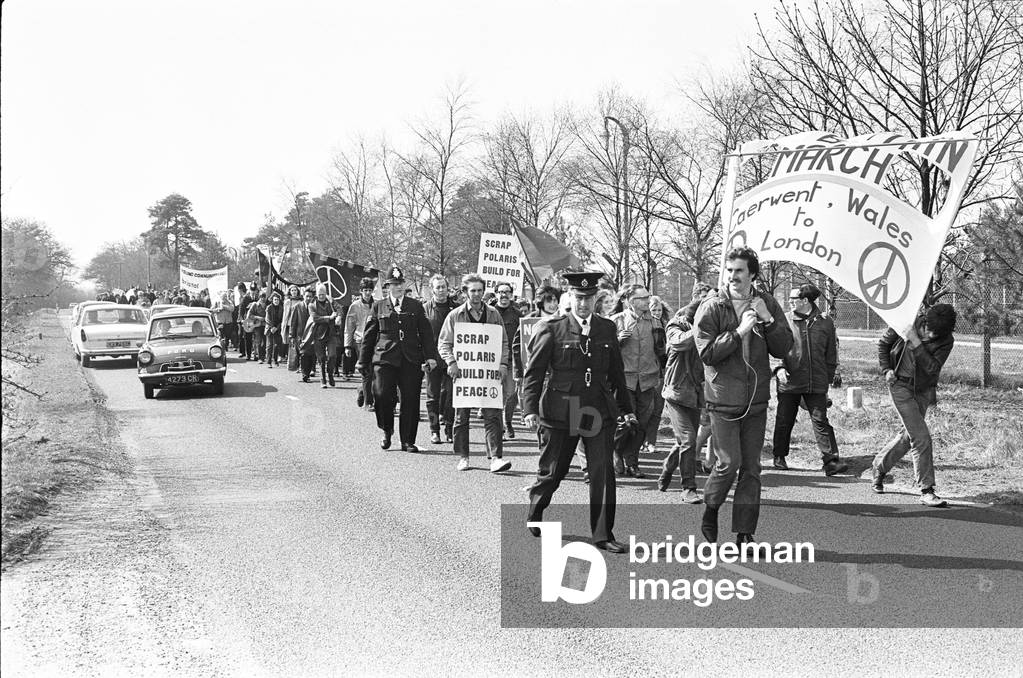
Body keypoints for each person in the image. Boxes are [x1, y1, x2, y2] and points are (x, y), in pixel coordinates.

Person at [522, 271, 636, 554]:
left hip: (597, 409)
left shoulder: (606, 328)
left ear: (596, 298)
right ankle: (536, 509)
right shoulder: (552, 328)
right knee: (554, 471)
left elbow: (616, 375)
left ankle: (602, 534)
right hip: (562, 410)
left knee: (603, 472)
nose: (583, 304)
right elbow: (534, 372)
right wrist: (529, 409)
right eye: (578, 297)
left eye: (588, 298)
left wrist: (626, 409)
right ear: (569, 298)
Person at [695, 247, 792, 546]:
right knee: (728, 463)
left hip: (756, 399)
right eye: (729, 270)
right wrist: (738, 332)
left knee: (752, 468)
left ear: (752, 273)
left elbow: (783, 346)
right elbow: (707, 353)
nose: (733, 276)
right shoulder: (712, 307)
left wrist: (768, 320)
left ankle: (745, 533)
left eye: (739, 270)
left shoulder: (767, 303)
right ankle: (711, 508)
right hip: (723, 399)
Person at [871, 304, 957, 507]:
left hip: (923, 390)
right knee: (921, 437)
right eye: (928, 330)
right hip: (899, 386)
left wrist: (916, 341)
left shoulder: (946, 341)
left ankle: (879, 467)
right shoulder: (907, 321)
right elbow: (883, 345)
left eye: (935, 334)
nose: (930, 335)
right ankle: (927, 490)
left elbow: (932, 368)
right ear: (925, 321)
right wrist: (886, 370)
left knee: (909, 436)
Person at [438, 274, 512, 472]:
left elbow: (503, 342)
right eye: (473, 291)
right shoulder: (455, 315)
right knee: (462, 416)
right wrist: (451, 362)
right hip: (464, 375)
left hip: (489, 374)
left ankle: (495, 457)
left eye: (480, 290)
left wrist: (503, 364)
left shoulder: (494, 314)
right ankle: (463, 456)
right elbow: (444, 343)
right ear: (465, 292)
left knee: (493, 415)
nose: (477, 294)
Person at [772, 283, 847, 475]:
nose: (789, 302)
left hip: (816, 381)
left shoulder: (825, 321)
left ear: (805, 301)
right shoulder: (784, 320)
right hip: (790, 381)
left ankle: (830, 461)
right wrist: (779, 367)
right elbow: (775, 346)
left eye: (793, 299)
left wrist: (828, 378)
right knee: (784, 420)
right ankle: (779, 456)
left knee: (820, 420)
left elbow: (831, 352)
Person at [360, 266, 438, 453]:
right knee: (381, 394)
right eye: (394, 284)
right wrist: (362, 361)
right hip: (385, 357)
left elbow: (426, 333)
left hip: (410, 358)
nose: (398, 287)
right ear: (387, 286)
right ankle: (387, 429)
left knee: (410, 400)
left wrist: (431, 357)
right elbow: (369, 335)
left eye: (400, 283)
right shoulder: (378, 306)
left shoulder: (415, 306)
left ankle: (407, 441)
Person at [610, 285, 666, 478]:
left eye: (648, 297)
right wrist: (617, 341)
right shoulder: (616, 321)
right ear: (632, 301)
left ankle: (632, 462)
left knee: (642, 424)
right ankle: (617, 453)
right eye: (643, 298)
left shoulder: (656, 323)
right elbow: (605, 352)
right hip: (624, 381)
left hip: (648, 381)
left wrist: (661, 375)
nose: (647, 301)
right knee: (626, 423)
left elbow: (662, 351)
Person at [657, 304, 705, 504]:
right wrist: (701, 327)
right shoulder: (675, 326)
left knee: (684, 441)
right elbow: (680, 343)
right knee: (688, 440)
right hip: (675, 393)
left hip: (695, 393)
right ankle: (688, 488)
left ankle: (668, 467)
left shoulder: (709, 328)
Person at [423, 274, 458, 444]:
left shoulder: (457, 309)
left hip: (452, 359)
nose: (441, 290)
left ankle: (449, 429)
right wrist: (424, 358)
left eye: (444, 286)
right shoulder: (425, 309)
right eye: (438, 287)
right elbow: (420, 335)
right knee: (432, 396)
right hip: (433, 359)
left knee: (452, 395)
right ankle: (434, 430)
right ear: (432, 290)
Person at [491, 281, 523, 440]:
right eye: (501, 292)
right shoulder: (489, 312)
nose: (504, 295)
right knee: (497, 394)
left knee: (511, 393)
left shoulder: (518, 315)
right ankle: (500, 427)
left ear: (511, 294)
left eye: (507, 292)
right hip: (492, 361)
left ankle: (507, 420)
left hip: (511, 360)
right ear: (495, 294)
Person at [345, 277, 378, 409]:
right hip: (360, 341)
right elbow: (349, 327)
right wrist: (347, 345)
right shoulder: (355, 306)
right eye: (365, 290)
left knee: (375, 371)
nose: (368, 293)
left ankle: (362, 390)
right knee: (366, 371)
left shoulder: (377, 304)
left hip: (375, 341)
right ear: (361, 291)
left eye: (370, 290)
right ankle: (368, 402)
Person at [308, 283, 340, 388]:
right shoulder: (312, 304)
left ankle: (330, 374)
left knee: (332, 355)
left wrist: (339, 316)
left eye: (323, 294)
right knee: (321, 358)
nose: (321, 296)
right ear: (316, 294)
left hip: (331, 333)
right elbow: (315, 318)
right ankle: (323, 379)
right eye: (319, 294)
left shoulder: (331, 302)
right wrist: (329, 318)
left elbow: (340, 309)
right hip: (318, 334)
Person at [290, 288, 313, 382]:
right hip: (300, 335)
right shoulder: (297, 306)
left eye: (310, 297)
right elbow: (293, 322)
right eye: (307, 296)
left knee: (310, 356)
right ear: (303, 296)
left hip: (311, 335)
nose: (308, 298)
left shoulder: (314, 307)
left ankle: (307, 372)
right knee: (303, 354)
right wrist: (292, 335)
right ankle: (304, 374)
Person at [282, 285, 302, 371]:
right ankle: (292, 364)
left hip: (299, 325)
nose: (294, 292)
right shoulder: (287, 302)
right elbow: (285, 315)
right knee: (292, 345)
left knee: (299, 345)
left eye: (295, 290)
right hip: (290, 325)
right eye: (292, 290)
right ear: (289, 292)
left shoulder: (301, 301)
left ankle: (299, 364)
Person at [264, 290, 284, 368]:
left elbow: (281, 319)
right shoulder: (269, 307)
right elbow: (267, 319)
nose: (276, 301)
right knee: (269, 346)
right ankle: (269, 362)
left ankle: (275, 360)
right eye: (275, 299)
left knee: (276, 345)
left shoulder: (281, 308)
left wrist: (277, 327)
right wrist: (272, 327)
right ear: (272, 300)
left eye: (278, 300)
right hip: (269, 328)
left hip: (277, 329)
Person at [246, 291, 267, 363]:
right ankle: (259, 357)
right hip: (257, 325)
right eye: (261, 297)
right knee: (258, 341)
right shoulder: (255, 305)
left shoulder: (268, 305)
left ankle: (263, 356)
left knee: (264, 341)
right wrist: (258, 317)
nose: (262, 298)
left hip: (265, 325)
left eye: (264, 297)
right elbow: (249, 315)